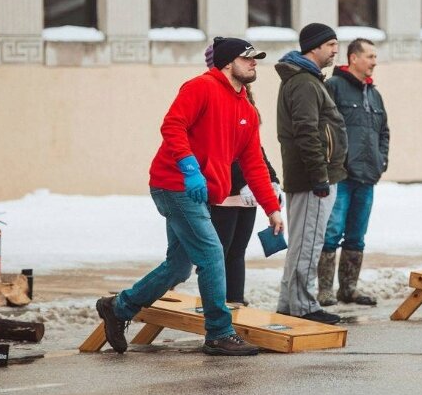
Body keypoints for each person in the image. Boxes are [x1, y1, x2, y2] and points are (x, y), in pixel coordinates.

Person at [96, 37, 283, 356]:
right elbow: (173, 126)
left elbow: (253, 163)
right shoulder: (200, 87)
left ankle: (119, 307)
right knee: (212, 253)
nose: (254, 64)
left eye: (256, 59)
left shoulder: (246, 111)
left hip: (201, 192)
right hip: (173, 184)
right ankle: (219, 332)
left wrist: (272, 208)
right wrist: (190, 168)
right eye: (248, 58)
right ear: (227, 63)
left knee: (178, 267)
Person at [275, 23, 348, 324]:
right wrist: (319, 176)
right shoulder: (304, 82)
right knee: (308, 243)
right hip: (312, 179)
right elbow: (306, 132)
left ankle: (287, 303)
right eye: (331, 44)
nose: (335, 50)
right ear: (314, 47)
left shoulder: (306, 79)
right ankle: (304, 306)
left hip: (312, 177)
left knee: (302, 242)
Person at [203, 43, 283, 306]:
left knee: (237, 252)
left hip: (246, 193)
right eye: (245, 60)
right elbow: (218, 149)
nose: (252, 65)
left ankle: (235, 302)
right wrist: (240, 183)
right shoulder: (210, 94)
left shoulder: (244, 95)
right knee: (219, 253)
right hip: (224, 192)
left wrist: (271, 180)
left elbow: (253, 148)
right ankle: (217, 309)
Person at [318, 38, 389, 307]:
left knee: (357, 235)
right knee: (332, 231)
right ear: (353, 58)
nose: (374, 62)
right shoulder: (334, 87)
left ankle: (348, 289)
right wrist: (333, 162)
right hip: (342, 176)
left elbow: (384, 132)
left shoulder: (374, 94)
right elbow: (324, 127)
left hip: (367, 176)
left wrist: (381, 161)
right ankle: (325, 290)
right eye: (370, 56)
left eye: (375, 57)